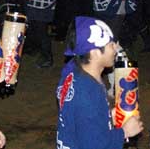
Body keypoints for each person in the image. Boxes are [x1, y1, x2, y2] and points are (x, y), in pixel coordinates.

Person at [56, 17, 143, 149]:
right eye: (111, 45)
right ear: (95, 52)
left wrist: (107, 117)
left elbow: (80, 122)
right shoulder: (88, 92)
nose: (116, 48)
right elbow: (94, 145)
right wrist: (124, 132)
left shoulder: (73, 75)